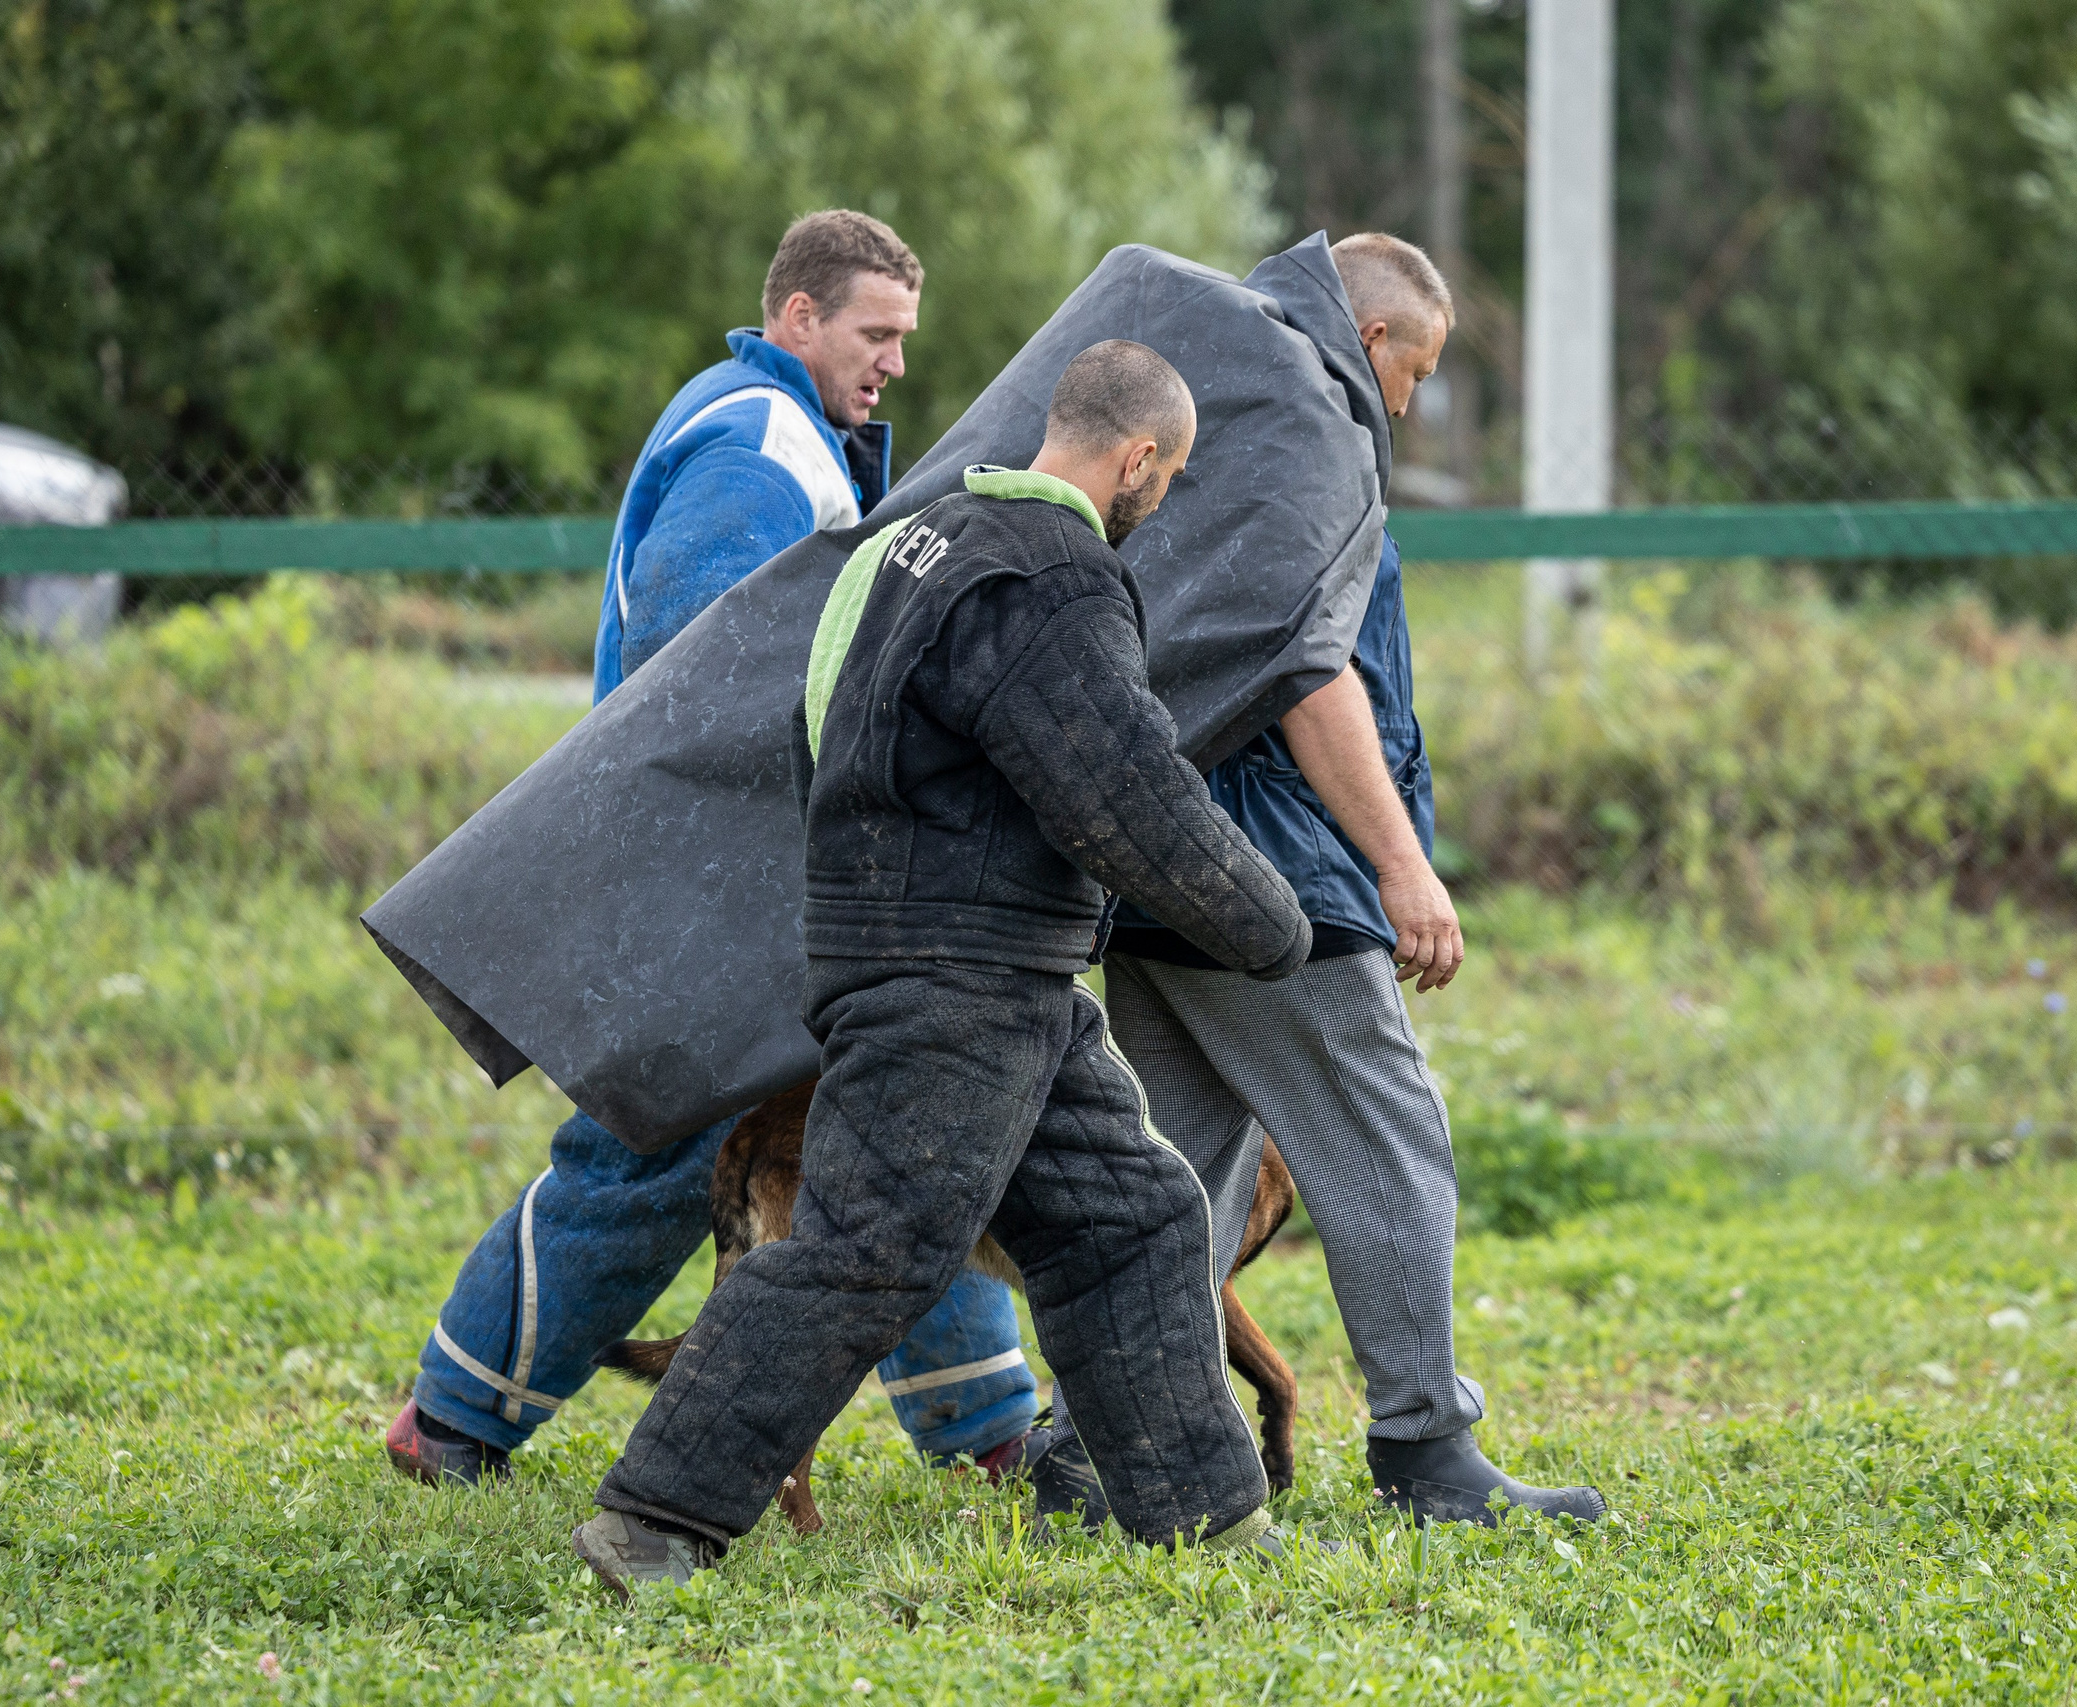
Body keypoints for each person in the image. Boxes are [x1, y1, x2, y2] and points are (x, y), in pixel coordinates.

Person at [569, 341, 1315, 1594]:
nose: (1163, 503)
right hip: (960, 977)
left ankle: (1209, 1520)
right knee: (868, 1249)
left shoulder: (907, 548)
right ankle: (653, 1521)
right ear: (1135, 458)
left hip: (963, 966)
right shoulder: (1054, 582)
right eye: (1170, 478)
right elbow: (1125, 794)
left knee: (1135, 1218)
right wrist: (1270, 924)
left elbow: (818, 731)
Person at [386, 210, 1041, 1488]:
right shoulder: (756, 445)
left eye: (905, 338)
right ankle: (453, 1419)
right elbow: (702, 669)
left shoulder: (791, 433)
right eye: (876, 332)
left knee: (877, 1124)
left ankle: (988, 1427)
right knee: (653, 1152)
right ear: (799, 317)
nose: (896, 362)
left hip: (746, 869)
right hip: (700, 874)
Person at [1071, 234, 1607, 1529]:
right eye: (1414, 369)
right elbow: (1312, 671)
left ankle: (1096, 1448)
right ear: (1371, 343)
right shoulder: (1316, 435)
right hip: (1277, 868)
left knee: (1179, 1173)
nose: (1411, 401)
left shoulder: (1229, 414)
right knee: (1391, 1142)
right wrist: (1404, 865)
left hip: (1153, 858)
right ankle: (1428, 1447)